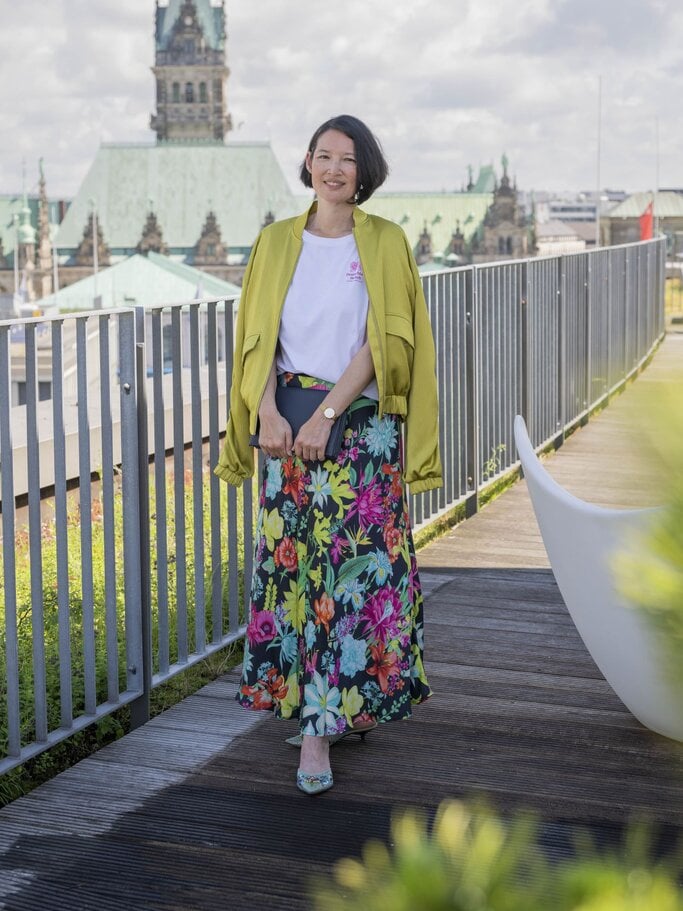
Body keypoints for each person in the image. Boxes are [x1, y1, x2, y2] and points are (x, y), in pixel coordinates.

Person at [214, 114, 442, 795]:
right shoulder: (275, 241)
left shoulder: (385, 242)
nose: (333, 168)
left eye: (346, 159)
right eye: (322, 156)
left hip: (358, 429)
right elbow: (254, 339)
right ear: (307, 165)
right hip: (283, 425)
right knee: (295, 571)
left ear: (363, 172)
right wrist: (262, 413)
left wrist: (326, 414)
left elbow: (384, 340)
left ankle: (325, 722)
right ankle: (319, 708)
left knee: (354, 577)